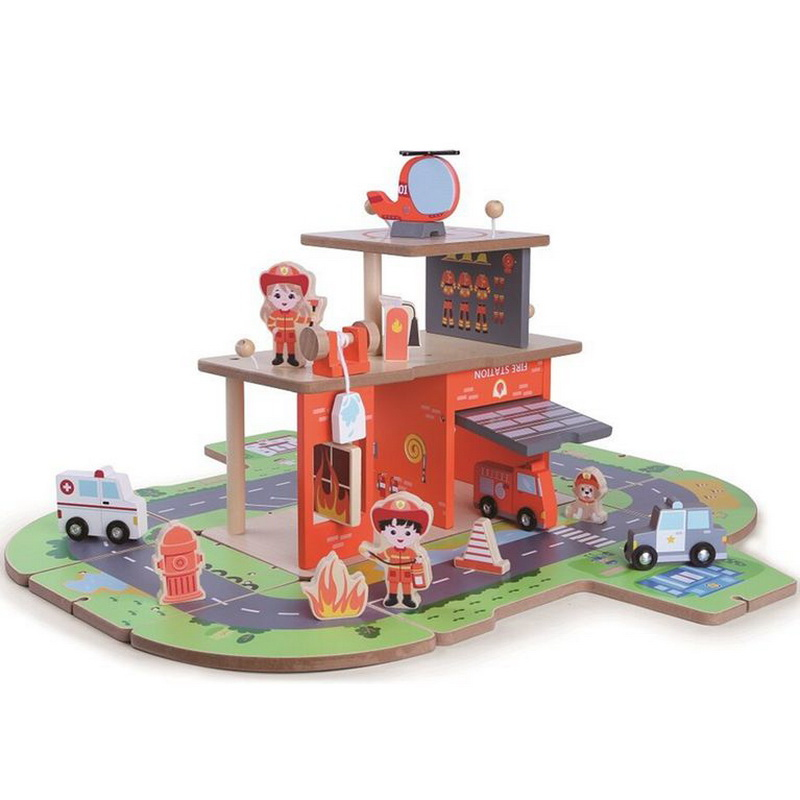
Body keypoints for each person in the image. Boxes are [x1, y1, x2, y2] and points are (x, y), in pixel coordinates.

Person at [359, 493, 433, 609]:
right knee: (393, 585)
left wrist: (419, 561)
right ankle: (392, 598)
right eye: (393, 532)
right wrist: (367, 553)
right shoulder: (389, 550)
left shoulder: (412, 552)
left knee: (406, 586)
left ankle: (407, 598)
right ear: (383, 531)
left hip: (407, 574)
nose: (400, 537)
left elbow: (418, 559)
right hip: (393, 573)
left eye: (407, 533)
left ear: (418, 533)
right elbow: (380, 556)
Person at [259, 262, 312, 366]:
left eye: (291, 296)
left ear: (298, 298)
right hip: (279, 333)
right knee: (279, 345)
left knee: (291, 346)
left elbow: (300, 320)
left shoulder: (293, 314)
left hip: (290, 333)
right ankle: (279, 357)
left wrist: (310, 319)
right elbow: (270, 322)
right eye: (277, 296)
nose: (284, 300)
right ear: (270, 297)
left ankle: (291, 358)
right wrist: (273, 329)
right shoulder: (274, 314)